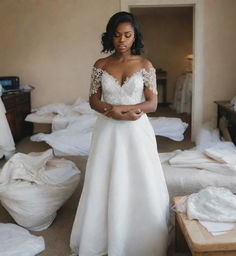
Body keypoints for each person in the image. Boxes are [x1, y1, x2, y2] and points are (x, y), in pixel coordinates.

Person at [70, 11, 169, 256]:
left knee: (139, 178)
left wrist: (121, 110)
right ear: (110, 37)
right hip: (108, 130)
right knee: (105, 178)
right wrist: (109, 112)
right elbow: (94, 101)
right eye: (117, 35)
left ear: (135, 37)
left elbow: (152, 104)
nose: (122, 40)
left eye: (127, 35)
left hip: (136, 130)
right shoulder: (100, 65)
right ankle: (103, 237)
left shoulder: (145, 65)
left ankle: (140, 239)